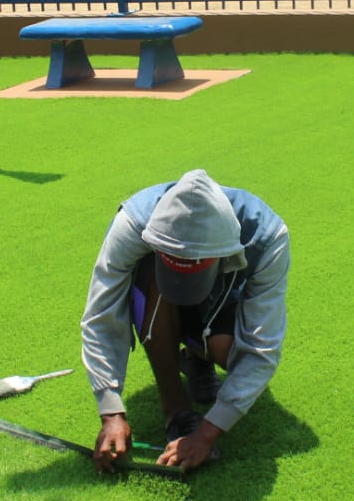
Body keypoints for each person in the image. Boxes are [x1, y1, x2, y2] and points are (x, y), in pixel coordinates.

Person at [82, 169, 290, 472]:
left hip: (224, 298)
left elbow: (261, 348)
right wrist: (110, 411)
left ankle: (197, 357)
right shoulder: (133, 223)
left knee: (230, 351)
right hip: (155, 296)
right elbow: (101, 314)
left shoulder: (268, 238)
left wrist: (206, 434)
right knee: (153, 281)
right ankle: (175, 408)